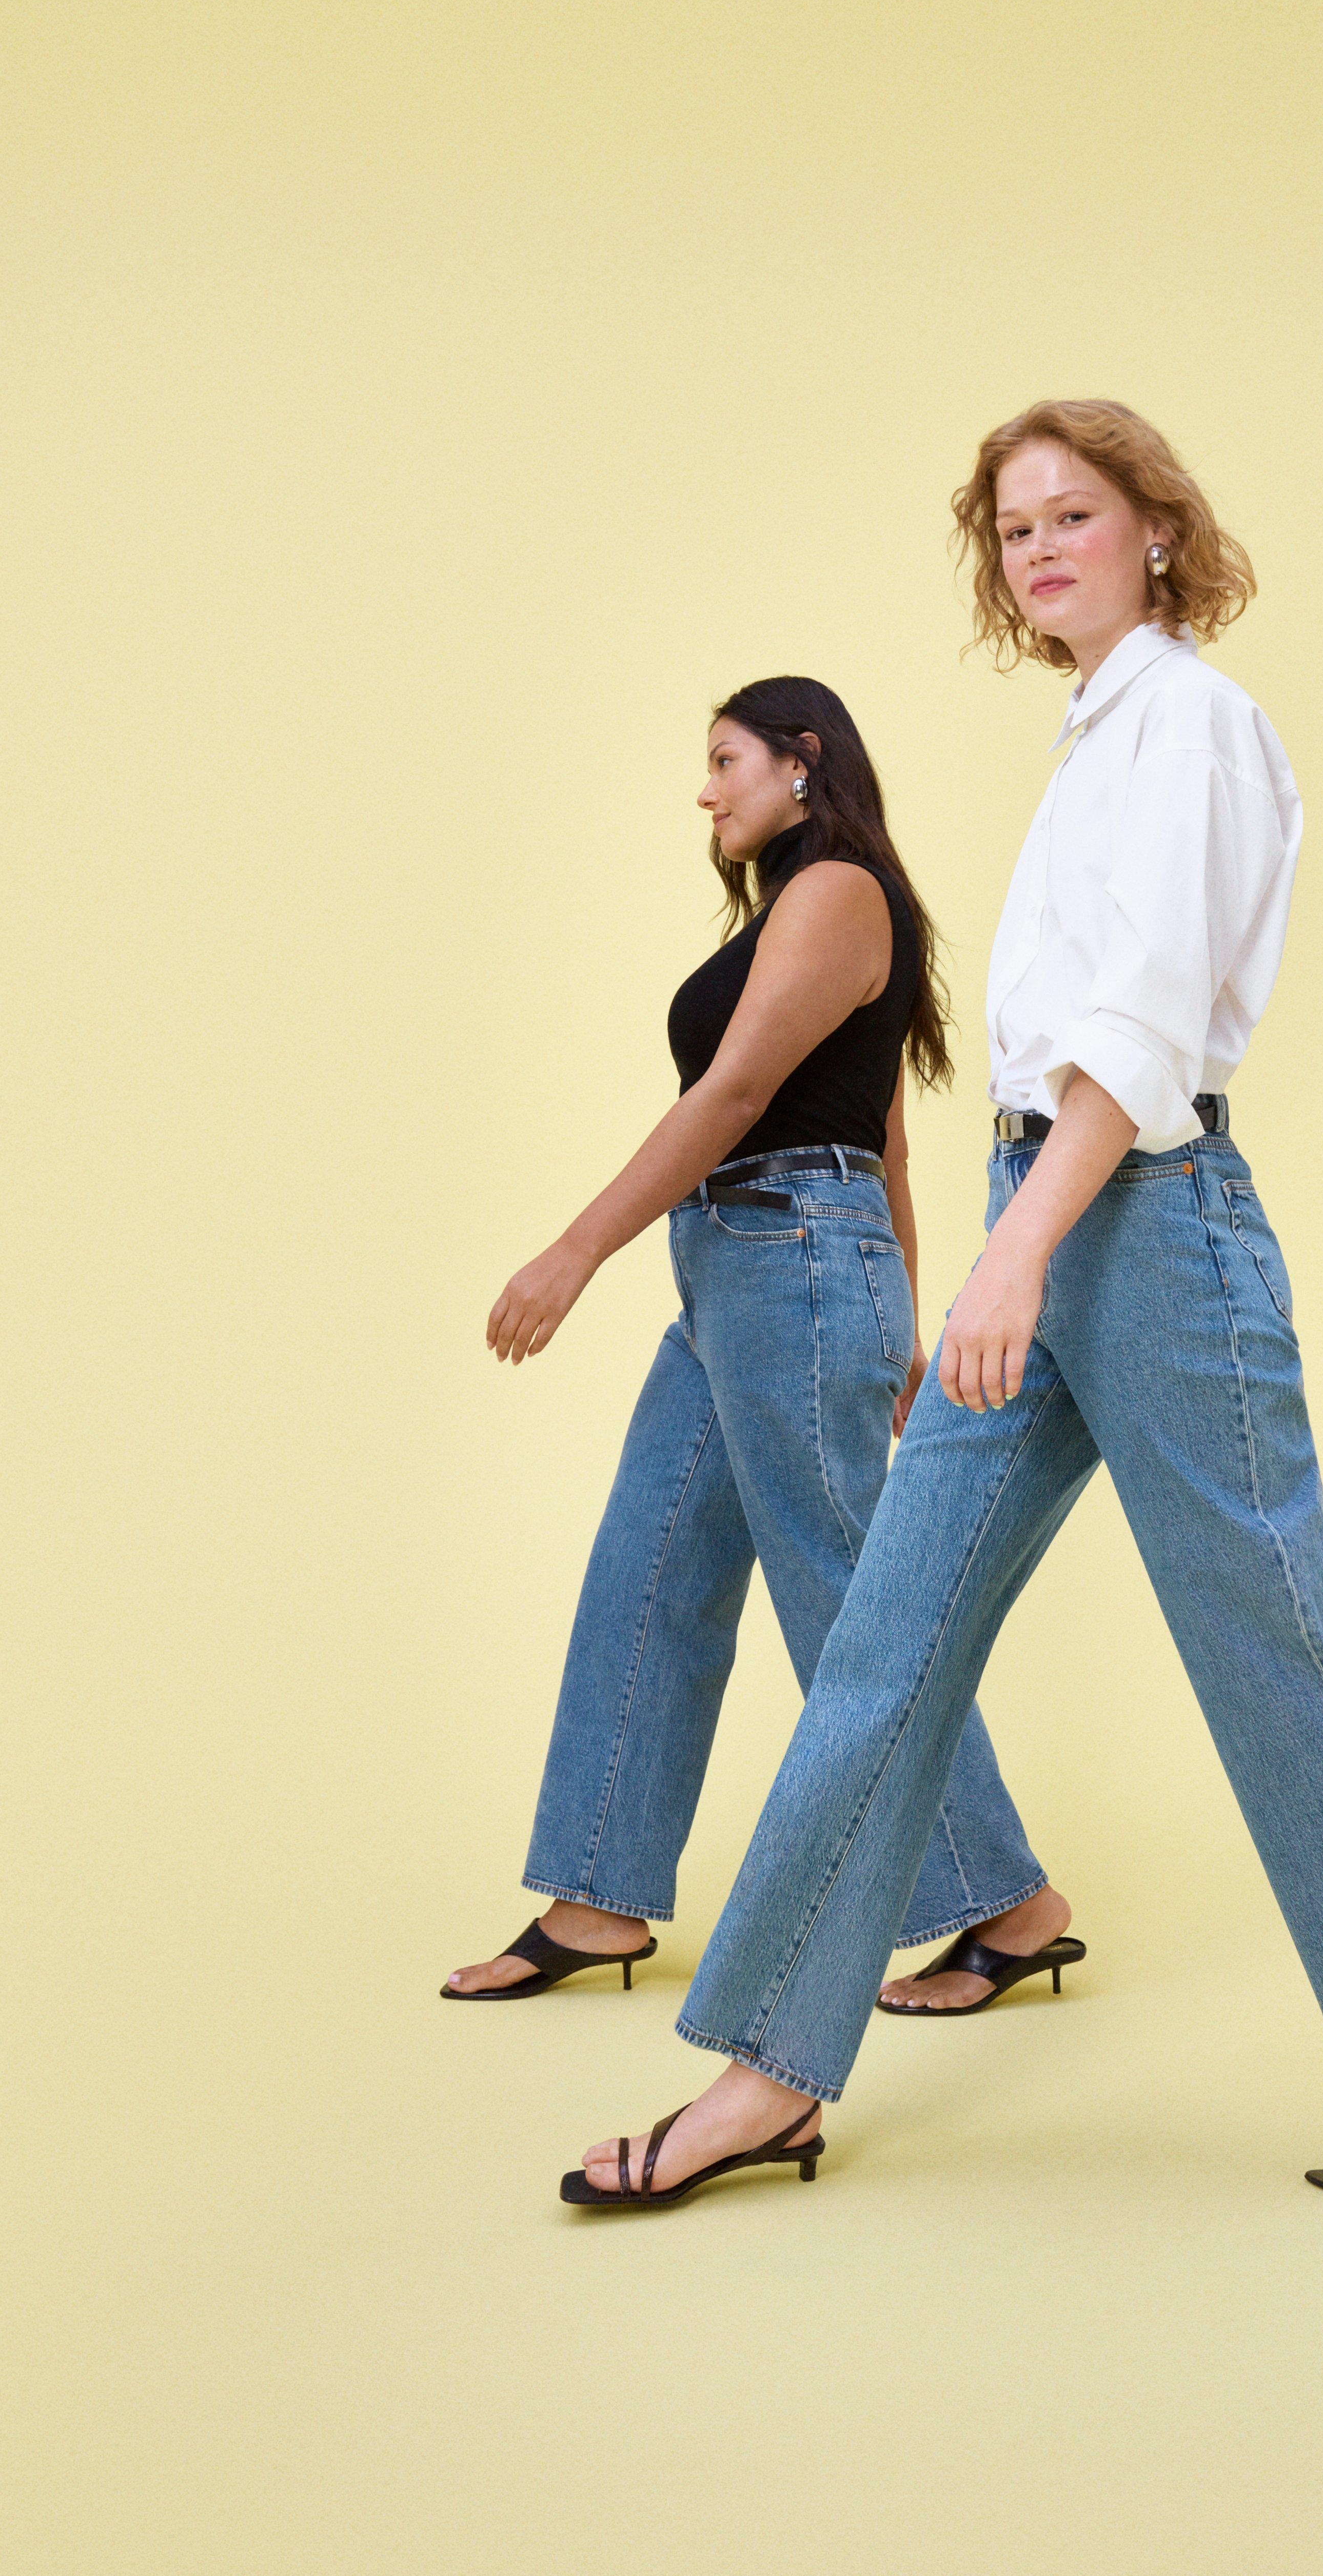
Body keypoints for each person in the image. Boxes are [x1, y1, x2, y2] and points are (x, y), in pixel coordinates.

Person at [562, 407, 1323, 2213]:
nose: (1038, 550)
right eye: (1012, 529)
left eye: (1073, 515)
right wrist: (1006, 1235)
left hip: (1148, 1232)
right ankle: (767, 2076)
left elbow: (1144, 1023)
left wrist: (1017, 1253)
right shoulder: (1097, 732)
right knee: (885, 1645)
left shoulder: (1188, 728)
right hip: (1044, 1214)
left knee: (1272, 1643)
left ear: (1155, 533)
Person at [446, 677, 1074, 2013]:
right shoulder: (814, 902)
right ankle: (600, 1898)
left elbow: (735, 1096)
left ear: (802, 762)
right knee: (650, 1565)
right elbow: (890, 1137)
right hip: (755, 1268)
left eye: (725, 759)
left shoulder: (838, 889)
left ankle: (1004, 1904)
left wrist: (574, 1251)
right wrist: (899, 1317)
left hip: (787, 1259)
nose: (706, 788)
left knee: (847, 1601)